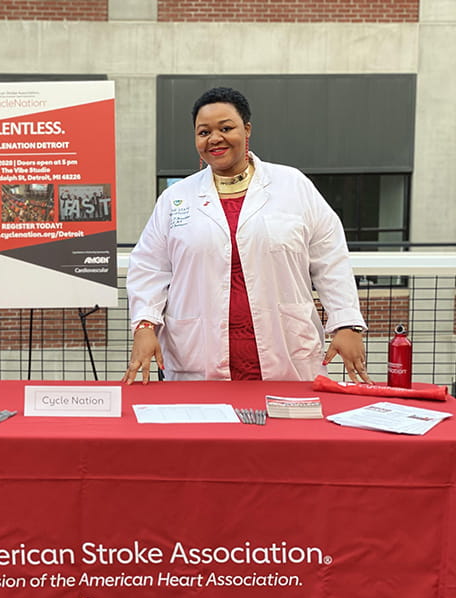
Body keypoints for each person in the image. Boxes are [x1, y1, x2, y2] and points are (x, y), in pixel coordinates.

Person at [123, 86, 372, 385]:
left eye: (226, 128)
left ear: (247, 129)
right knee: (205, 429)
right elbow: (149, 267)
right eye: (203, 132)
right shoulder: (176, 198)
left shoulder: (292, 185)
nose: (215, 138)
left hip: (286, 349)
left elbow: (330, 258)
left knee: (288, 429)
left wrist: (346, 323)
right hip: (198, 355)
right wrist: (145, 326)